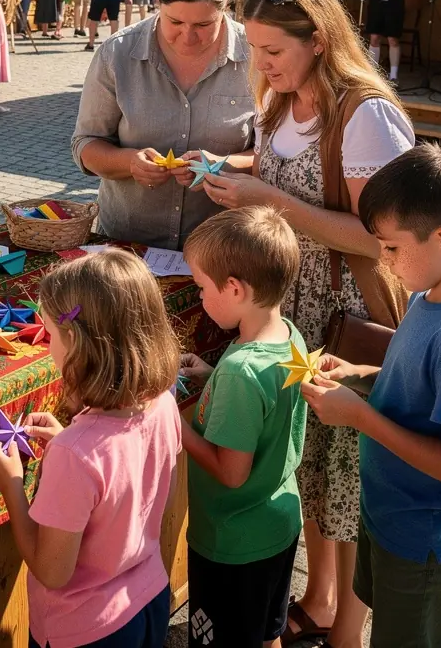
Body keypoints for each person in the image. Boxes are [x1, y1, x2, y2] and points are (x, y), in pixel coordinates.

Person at [200, 0, 414, 648]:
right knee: (311, 462)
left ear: (318, 41)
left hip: (344, 310)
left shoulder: (363, 113)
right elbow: (281, 171)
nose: (260, 65)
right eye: (255, 50)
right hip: (298, 301)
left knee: (344, 472)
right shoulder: (284, 100)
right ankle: (319, 597)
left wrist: (268, 202)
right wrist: (226, 170)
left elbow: (379, 237)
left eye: (272, 51)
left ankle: (347, 624)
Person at [303, 144, 441, 648]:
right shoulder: (428, 296)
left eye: (391, 248)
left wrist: (360, 418)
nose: (384, 259)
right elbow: (416, 382)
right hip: (393, 520)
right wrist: (362, 373)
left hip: (429, 543)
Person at [0, 249, 182, 648]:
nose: (48, 348)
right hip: (148, 599)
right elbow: (135, 490)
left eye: (50, 335)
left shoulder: (75, 454)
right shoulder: (163, 401)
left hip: (87, 630)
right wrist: (70, 445)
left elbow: (51, 570)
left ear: (75, 341)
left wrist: (12, 488)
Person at [180, 206, 306, 648]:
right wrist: (211, 374)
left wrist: (177, 427)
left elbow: (231, 473)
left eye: (201, 288)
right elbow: (267, 405)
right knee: (267, 630)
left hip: (233, 542)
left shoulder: (241, 372)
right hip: (279, 523)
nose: (198, 299)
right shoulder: (288, 335)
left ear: (234, 288)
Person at [73, 0, 255, 249]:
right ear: (158, 1)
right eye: (175, 22)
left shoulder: (255, 55)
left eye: (203, 25)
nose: (187, 36)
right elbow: (86, 144)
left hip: (223, 249)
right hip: (126, 243)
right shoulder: (117, 54)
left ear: (226, 6)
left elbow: (273, 155)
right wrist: (129, 162)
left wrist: (222, 164)